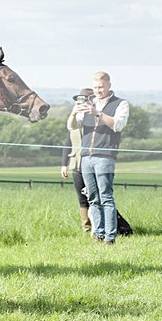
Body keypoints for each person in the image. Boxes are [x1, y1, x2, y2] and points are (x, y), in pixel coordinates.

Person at [68, 72, 130, 245]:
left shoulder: (121, 103)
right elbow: (72, 126)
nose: (98, 90)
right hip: (86, 157)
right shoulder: (89, 103)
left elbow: (118, 125)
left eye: (101, 87)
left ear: (109, 85)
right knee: (93, 198)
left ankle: (110, 238)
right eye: (95, 88)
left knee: (106, 197)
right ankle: (98, 234)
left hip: (105, 156)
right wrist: (74, 113)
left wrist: (97, 113)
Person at [61, 88, 94, 234]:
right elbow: (68, 142)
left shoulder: (95, 118)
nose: (82, 102)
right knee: (82, 199)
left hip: (92, 163)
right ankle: (86, 228)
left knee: (95, 196)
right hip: (76, 163)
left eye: (86, 99)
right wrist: (64, 164)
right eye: (80, 99)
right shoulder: (74, 120)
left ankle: (99, 226)